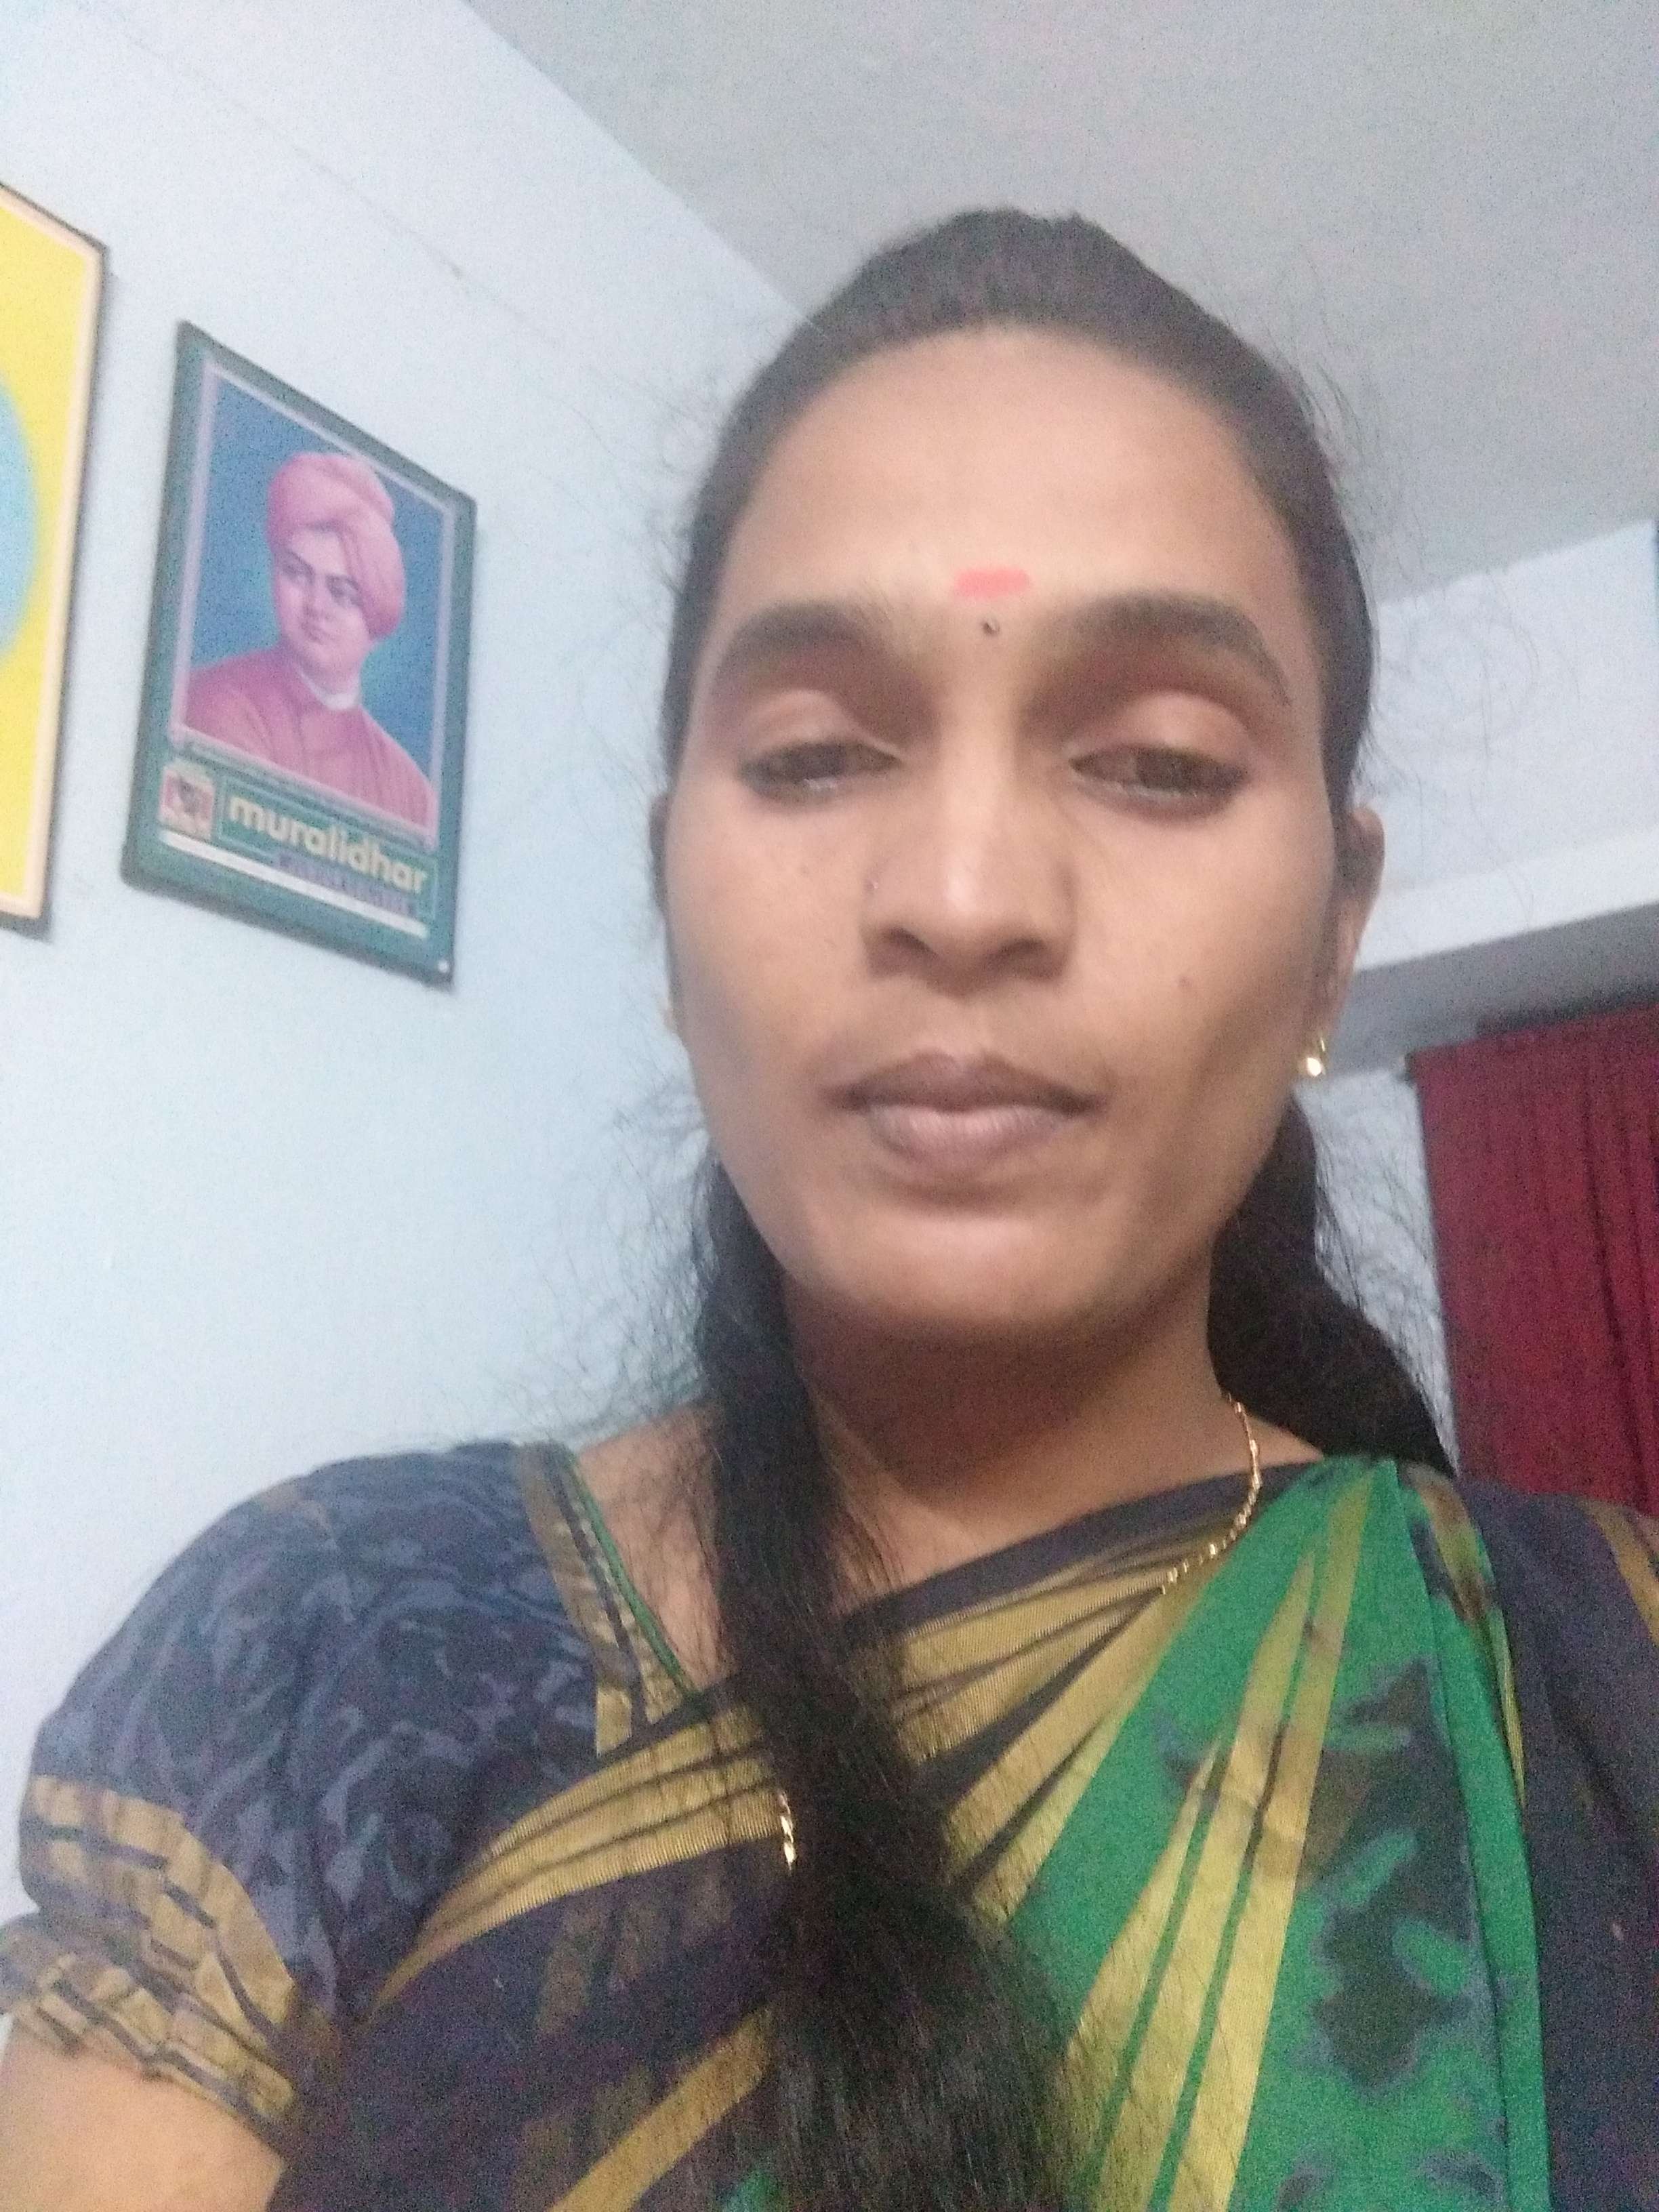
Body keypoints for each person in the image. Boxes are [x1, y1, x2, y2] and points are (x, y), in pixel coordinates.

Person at [1, 211, 1655, 2212]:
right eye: (809, 755)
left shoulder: (1602, 1692)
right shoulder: (323, 1658)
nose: (962, 894)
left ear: (1334, 936)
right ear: (668, 905)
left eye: (1154, 760)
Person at [182, 449, 436, 838]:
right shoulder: (217, 704)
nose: (316, 606)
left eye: (342, 593)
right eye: (298, 574)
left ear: (376, 620)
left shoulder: (411, 791)